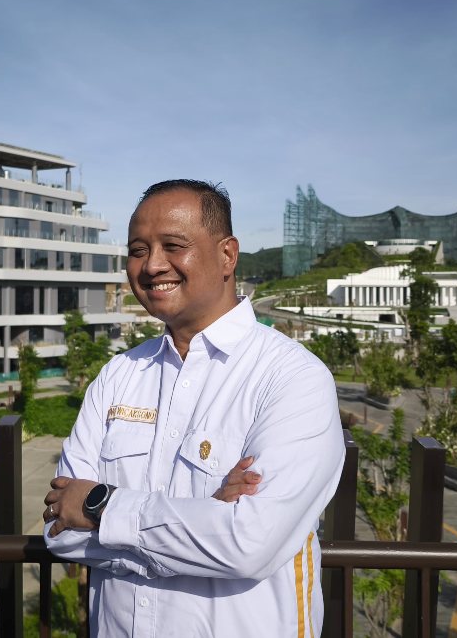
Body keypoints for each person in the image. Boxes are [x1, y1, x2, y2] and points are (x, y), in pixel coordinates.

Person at [43, 180, 345, 636]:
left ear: (227, 255)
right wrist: (206, 515)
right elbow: (60, 531)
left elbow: (247, 544)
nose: (152, 265)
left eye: (173, 246)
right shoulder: (118, 375)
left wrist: (99, 505)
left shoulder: (292, 377)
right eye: (138, 250)